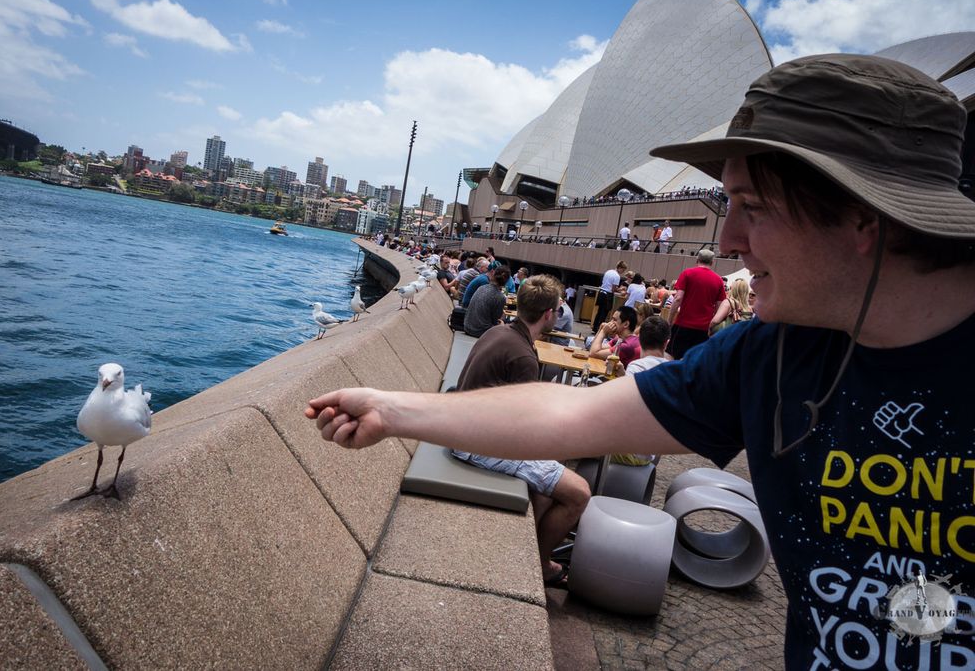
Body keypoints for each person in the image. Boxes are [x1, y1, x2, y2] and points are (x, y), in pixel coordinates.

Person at [306, 54, 975, 669]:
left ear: (863, 219)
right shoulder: (769, 355)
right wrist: (393, 409)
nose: (729, 239)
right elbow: (573, 415)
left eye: (753, 207)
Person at [455, 275, 590, 585]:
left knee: (553, 469)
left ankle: (528, 549)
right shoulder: (523, 357)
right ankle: (540, 566)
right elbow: (524, 431)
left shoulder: (498, 332)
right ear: (548, 314)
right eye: (558, 310)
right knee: (579, 493)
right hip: (478, 445)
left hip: (464, 430)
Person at [667, 249, 726, 359]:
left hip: (683, 324)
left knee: (673, 356)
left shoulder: (687, 273)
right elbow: (719, 307)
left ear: (697, 259)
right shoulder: (718, 280)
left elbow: (678, 299)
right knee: (695, 360)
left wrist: (670, 320)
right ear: (712, 262)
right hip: (703, 329)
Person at [463, 265, 511, 338]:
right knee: (508, 326)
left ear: (494, 274)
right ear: (506, 281)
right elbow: (496, 321)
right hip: (480, 331)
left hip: (467, 326)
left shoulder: (482, 287)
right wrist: (503, 317)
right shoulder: (500, 297)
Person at [593, 260, 627, 331]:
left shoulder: (608, 271)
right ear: (620, 268)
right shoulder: (617, 276)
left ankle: (594, 326)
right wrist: (621, 290)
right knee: (604, 313)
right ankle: (600, 328)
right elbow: (613, 289)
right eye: (623, 270)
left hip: (601, 292)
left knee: (599, 311)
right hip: (607, 295)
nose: (623, 272)